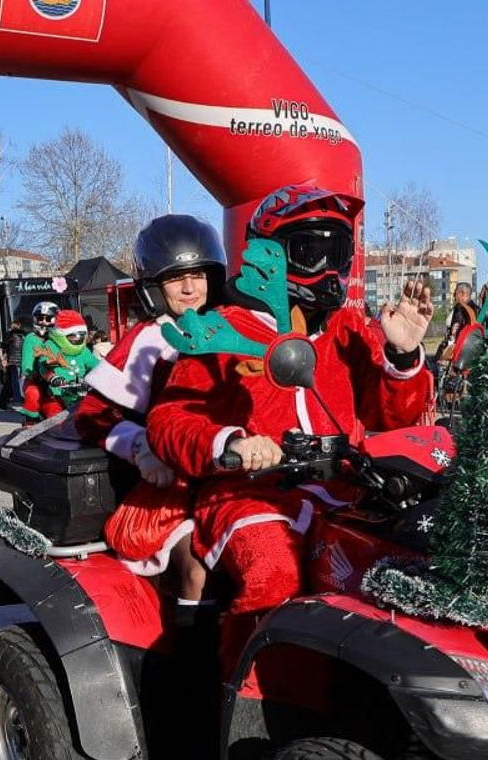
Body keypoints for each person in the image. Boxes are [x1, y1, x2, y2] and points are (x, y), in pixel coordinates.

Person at [147, 183, 434, 673]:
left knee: (400, 568)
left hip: (347, 491)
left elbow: (397, 418)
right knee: (273, 575)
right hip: (251, 496)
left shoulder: (349, 330)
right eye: (309, 251)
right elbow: (170, 419)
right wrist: (230, 444)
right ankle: (249, 706)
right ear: (269, 255)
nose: (326, 268)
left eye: (336, 251)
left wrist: (401, 355)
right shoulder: (223, 329)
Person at [73, 213, 227, 608]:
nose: (191, 287)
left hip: (232, 477)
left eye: (198, 273)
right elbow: (92, 414)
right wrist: (141, 447)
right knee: (197, 568)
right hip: (172, 489)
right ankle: (190, 664)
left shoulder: (231, 328)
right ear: (154, 287)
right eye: (176, 278)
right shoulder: (149, 339)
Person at [18, 309, 96, 421]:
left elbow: (94, 363)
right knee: (53, 415)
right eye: (73, 336)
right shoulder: (46, 343)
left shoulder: (83, 350)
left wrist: (105, 372)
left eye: (81, 335)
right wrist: (52, 377)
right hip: (55, 392)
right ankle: (31, 421)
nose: (77, 338)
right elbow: (42, 364)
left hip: (79, 390)